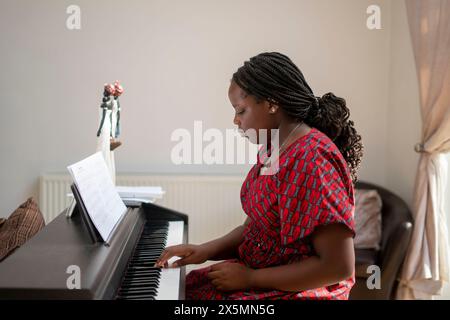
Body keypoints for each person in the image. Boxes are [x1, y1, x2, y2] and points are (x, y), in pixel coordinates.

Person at [156, 52, 364, 300]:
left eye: (241, 110)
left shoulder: (314, 160)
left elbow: (337, 267)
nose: (235, 120)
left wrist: (251, 278)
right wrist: (205, 249)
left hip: (300, 288)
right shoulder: (275, 148)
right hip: (262, 273)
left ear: (271, 103)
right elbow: (256, 227)